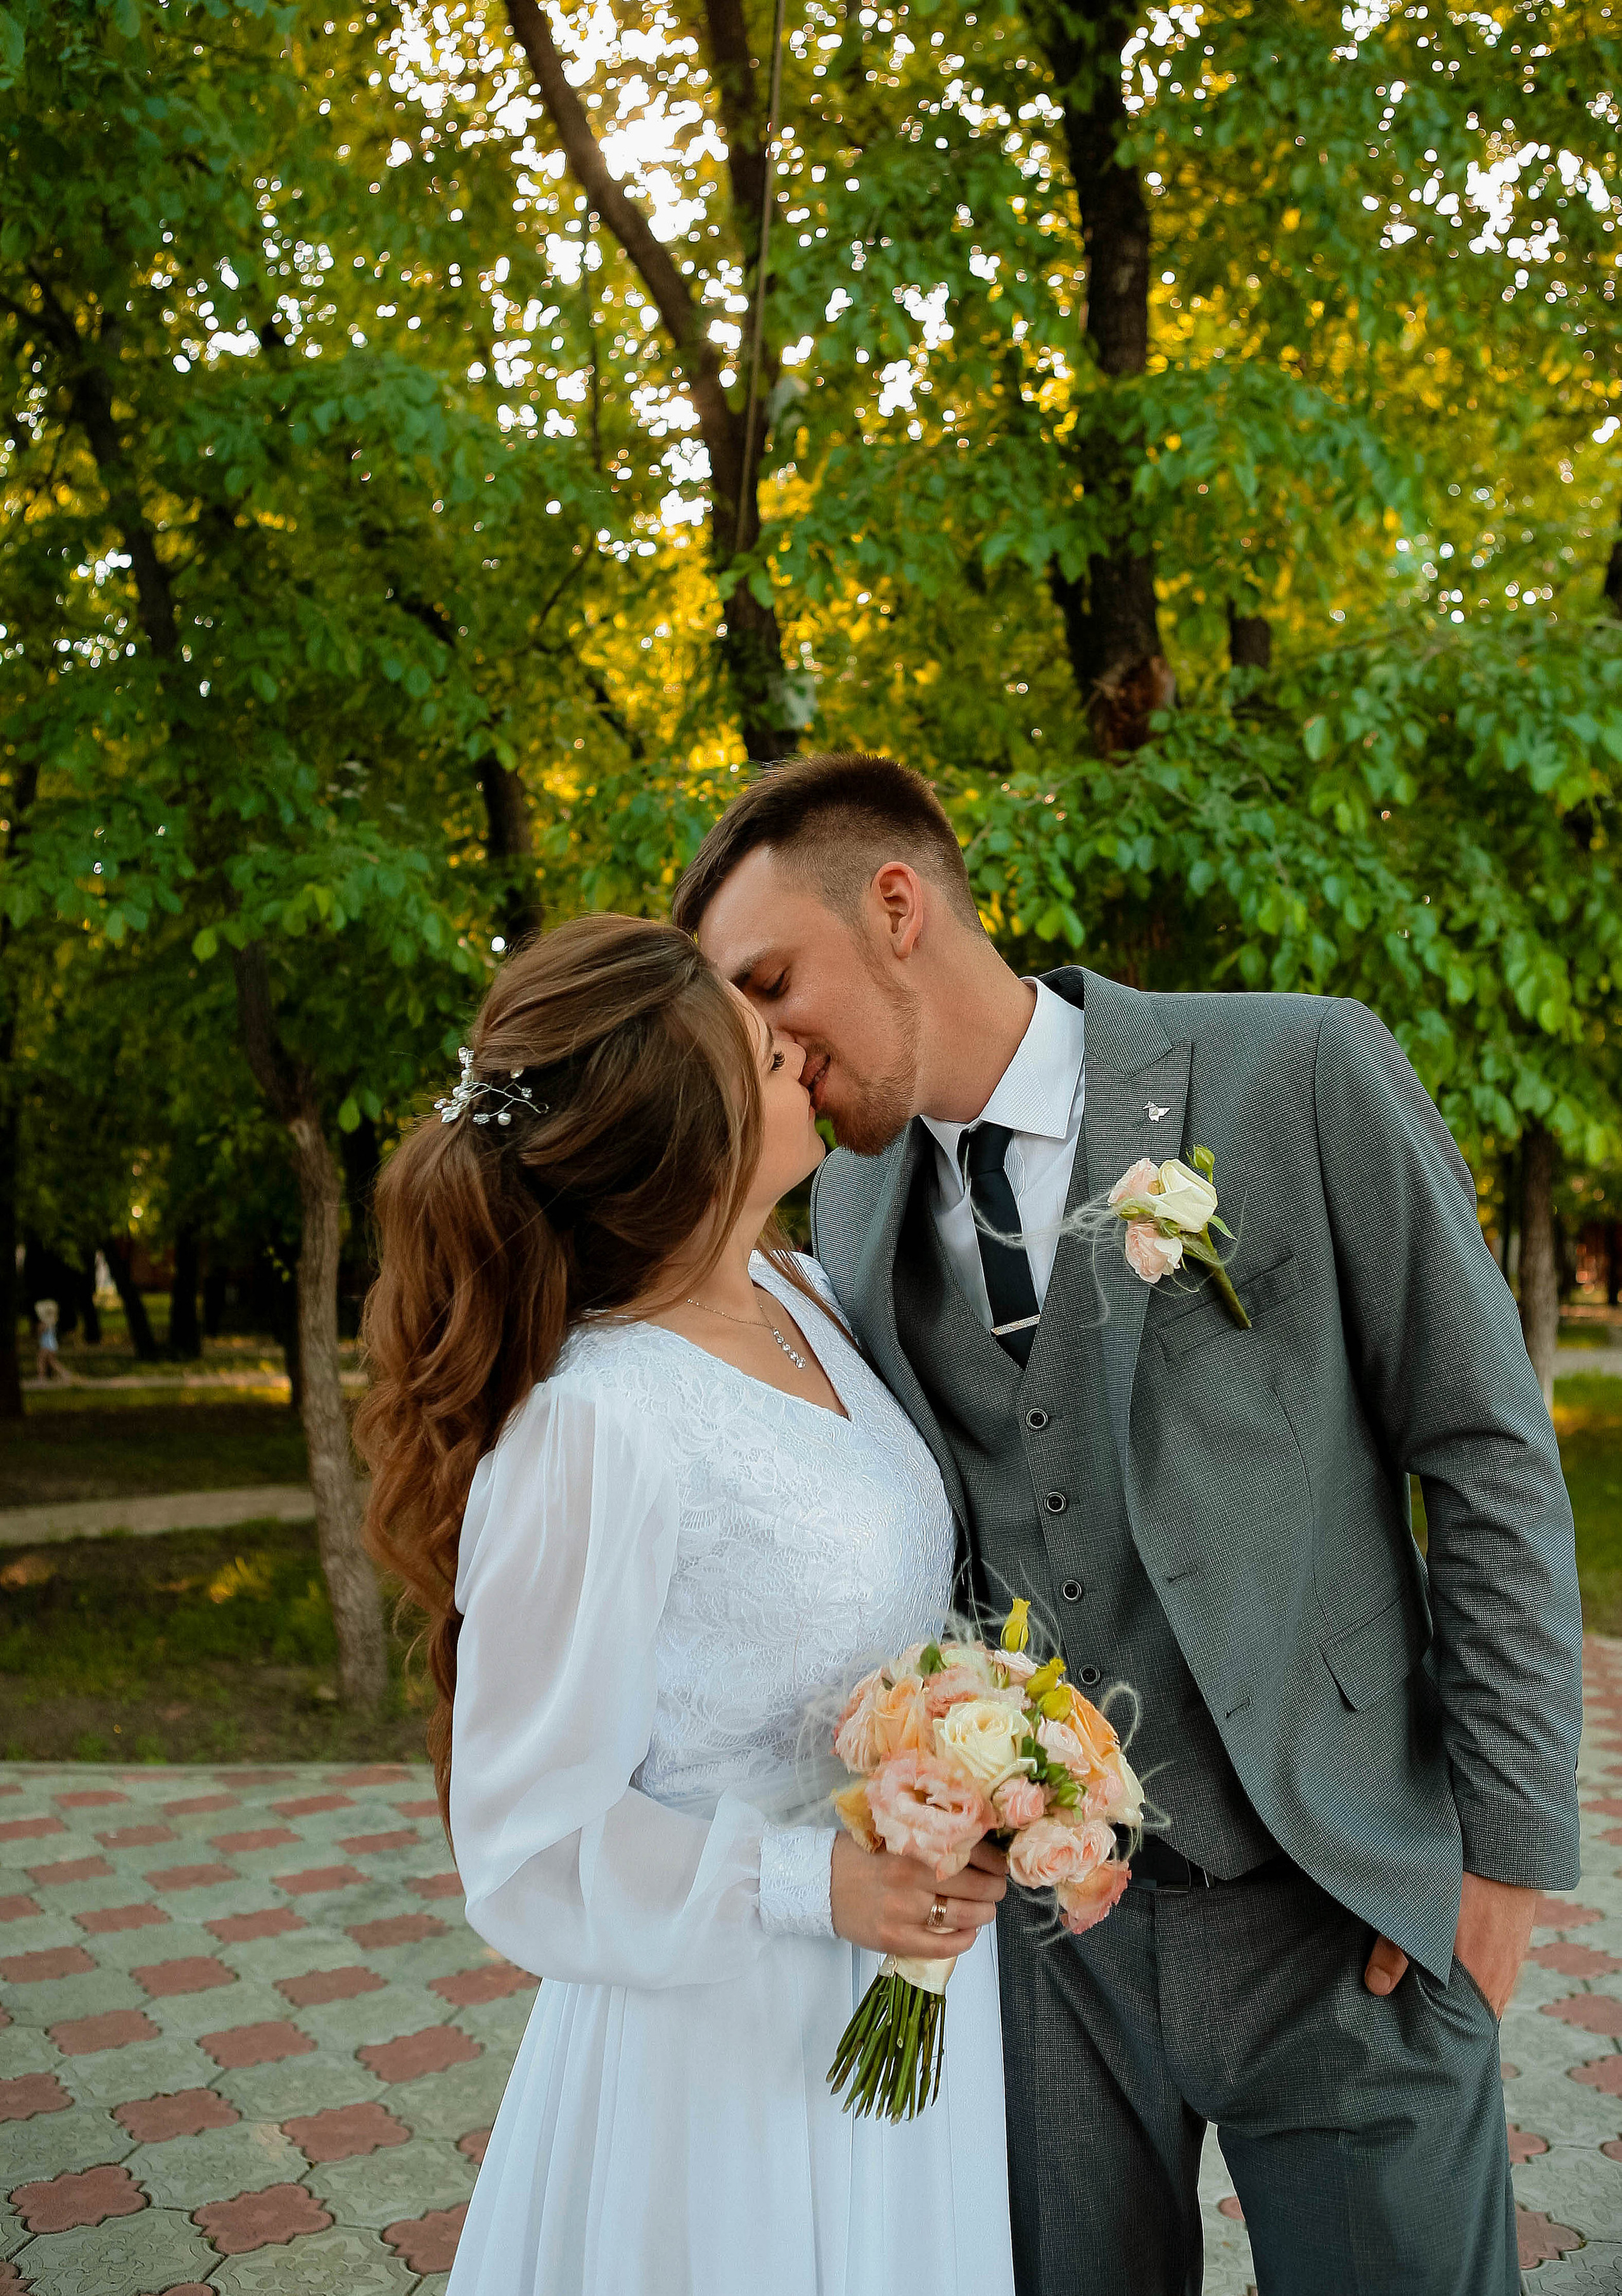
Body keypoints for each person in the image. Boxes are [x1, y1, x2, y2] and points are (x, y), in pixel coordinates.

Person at [674, 751, 1585, 2296]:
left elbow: (1483, 1446)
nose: (762, 1045)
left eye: (769, 982)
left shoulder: (1297, 1071)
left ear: (895, 905)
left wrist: (1499, 1857)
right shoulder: (845, 1207)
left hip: (1340, 1903)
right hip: (1051, 1959)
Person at [358, 914, 1016, 2296]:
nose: (792, 1046)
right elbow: (526, 1843)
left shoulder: (802, 1293)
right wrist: (817, 1884)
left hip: (900, 1988)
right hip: (723, 2045)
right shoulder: (595, 1426)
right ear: (680, 1141)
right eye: (756, 1046)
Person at [33, 1298, 70, 1384]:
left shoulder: (45, 1323)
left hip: (47, 1345)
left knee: (41, 1360)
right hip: (51, 1344)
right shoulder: (52, 1323)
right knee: (52, 1362)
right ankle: (64, 1374)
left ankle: (42, 1377)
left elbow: (40, 1332)